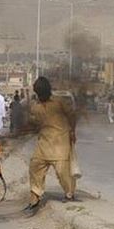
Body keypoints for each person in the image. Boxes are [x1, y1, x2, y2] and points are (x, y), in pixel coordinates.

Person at [23, 77, 77, 214]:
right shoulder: (35, 107)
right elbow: (34, 123)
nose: (40, 96)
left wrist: (72, 131)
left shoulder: (59, 102)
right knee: (35, 166)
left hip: (61, 141)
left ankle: (69, 194)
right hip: (44, 142)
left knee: (62, 171)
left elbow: (72, 116)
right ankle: (35, 197)